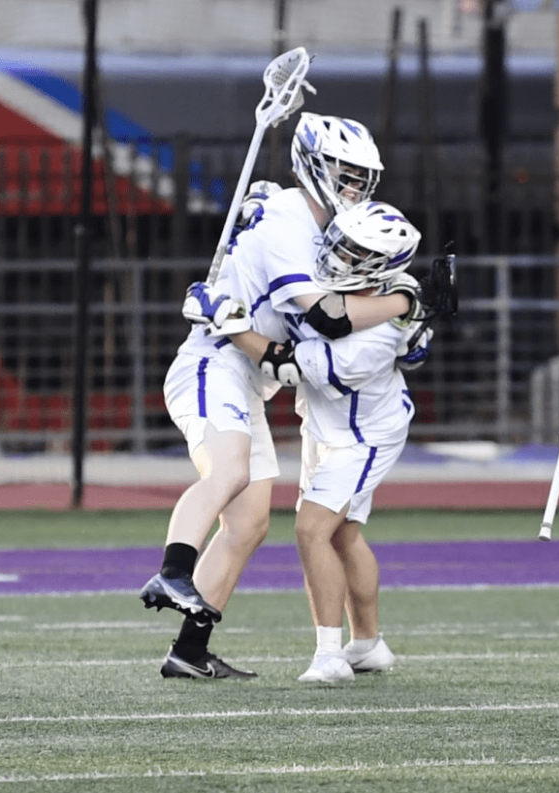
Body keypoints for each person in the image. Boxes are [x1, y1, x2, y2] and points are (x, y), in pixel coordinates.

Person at [140, 113, 429, 680]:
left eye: (361, 177)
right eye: (344, 174)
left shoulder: (312, 222)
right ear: (314, 166)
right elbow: (326, 316)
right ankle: (174, 568)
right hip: (215, 363)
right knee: (230, 473)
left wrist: (407, 311)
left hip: (251, 373)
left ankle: (189, 651)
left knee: (248, 524)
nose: (354, 188)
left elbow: (308, 334)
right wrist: (405, 305)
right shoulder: (289, 221)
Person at [281, 200, 428, 684]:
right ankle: (367, 645)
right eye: (340, 243)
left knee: (311, 531)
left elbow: (292, 362)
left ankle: (329, 654)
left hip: (363, 436)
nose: (338, 255)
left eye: (353, 251)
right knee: (343, 534)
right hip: (328, 426)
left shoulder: (380, 332)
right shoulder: (391, 297)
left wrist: (234, 326)